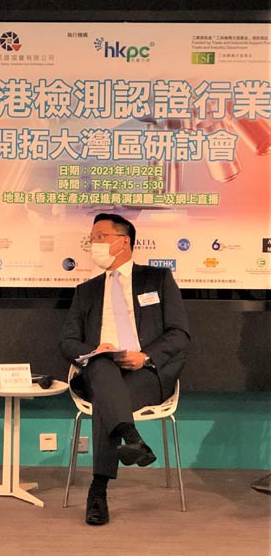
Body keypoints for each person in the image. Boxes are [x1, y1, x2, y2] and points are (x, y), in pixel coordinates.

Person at [59, 213, 190, 526]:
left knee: (107, 401)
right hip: (100, 369)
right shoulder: (86, 290)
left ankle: (98, 489)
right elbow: (67, 341)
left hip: (146, 374)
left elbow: (179, 333)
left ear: (123, 241)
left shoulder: (157, 279)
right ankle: (130, 437)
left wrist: (145, 356)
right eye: (92, 238)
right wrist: (94, 351)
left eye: (100, 237)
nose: (94, 243)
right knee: (102, 368)